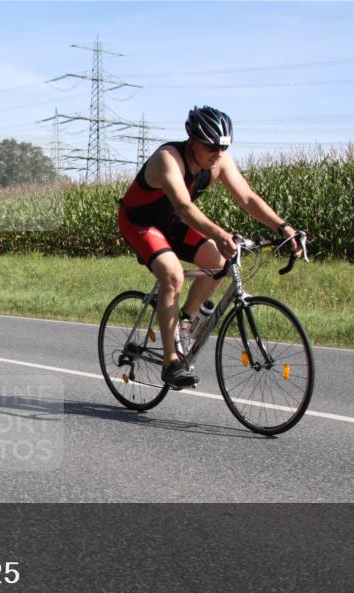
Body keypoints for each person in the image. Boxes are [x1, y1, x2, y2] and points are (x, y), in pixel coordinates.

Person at [118, 105, 299, 389]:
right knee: (173, 275)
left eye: (224, 147)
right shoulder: (168, 159)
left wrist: (283, 226)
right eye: (212, 147)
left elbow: (248, 198)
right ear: (193, 141)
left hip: (171, 223)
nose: (218, 154)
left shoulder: (219, 162)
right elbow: (184, 207)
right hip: (139, 222)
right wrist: (220, 233)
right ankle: (171, 363)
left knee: (216, 262)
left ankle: (185, 324)